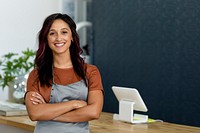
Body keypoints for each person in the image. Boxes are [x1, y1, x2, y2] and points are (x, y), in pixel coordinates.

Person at [25, 13, 104, 133]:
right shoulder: (36, 75)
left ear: (72, 36)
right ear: (46, 38)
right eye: (52, 33)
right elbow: (35, 114)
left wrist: (48, 113)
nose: (58, 38)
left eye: (64, 32)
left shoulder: (90, 72)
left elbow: (94, 112)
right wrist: (74, 104)